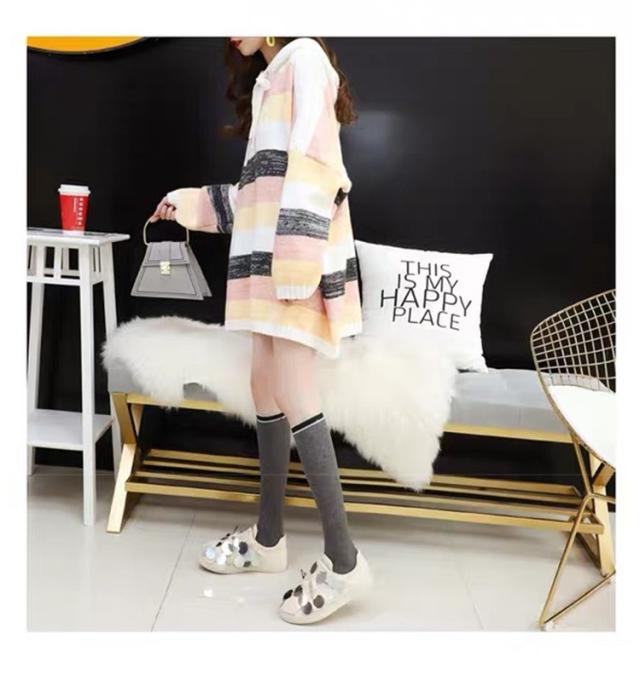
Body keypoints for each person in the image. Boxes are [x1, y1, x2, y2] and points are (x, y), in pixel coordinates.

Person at [149, 36, 371, 625]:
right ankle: (270, 539)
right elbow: (259, 195)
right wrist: (192, 204)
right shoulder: (272, 79)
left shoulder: (304, 61)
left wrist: (294, 268)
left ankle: (345, 562)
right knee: (264, 385)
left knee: (295, 389)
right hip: (266, 267)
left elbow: (318, 171)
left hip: (292, 266)